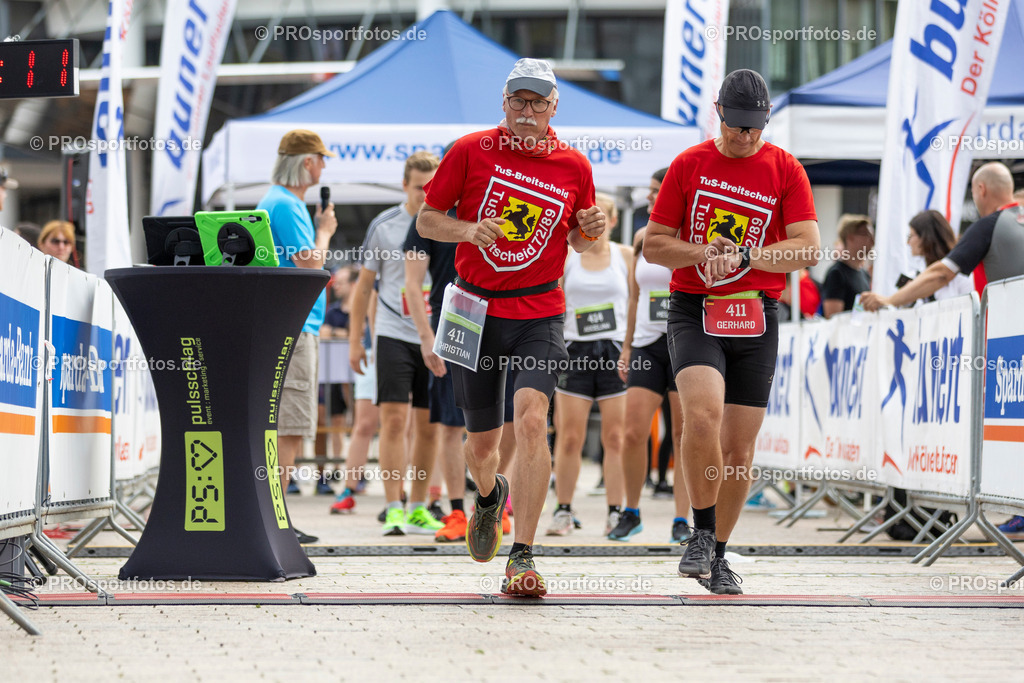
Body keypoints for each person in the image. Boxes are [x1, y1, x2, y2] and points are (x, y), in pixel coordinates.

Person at [417, 58, 606, 596]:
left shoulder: (575, 165)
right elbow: (428, 220)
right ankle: (486, 495)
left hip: (539, 311)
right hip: (475, 312)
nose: (527, 111)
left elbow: (579, 240)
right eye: (519, 101)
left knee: (530, 421)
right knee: (481, 444)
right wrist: (469, 229)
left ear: (553, 107)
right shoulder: (470, 150)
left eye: (538, 102)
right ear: (504, 103)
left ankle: (522, 556)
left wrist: (591, 229)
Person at [644, 68, 820, 594]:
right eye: (737, 126)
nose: (745, 137)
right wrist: (704, 253)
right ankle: (699, 532)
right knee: (701, 416)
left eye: (755, 127)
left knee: (740, 448)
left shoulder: (785, 168)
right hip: (695, 307)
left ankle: (718, 553)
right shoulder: (690, 163)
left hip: (757, 312)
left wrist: (748, 255)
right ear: (719, 113)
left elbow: (808, 247)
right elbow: (654, 244)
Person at [861, 162, 1023, 538]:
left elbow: (940, 274)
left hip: (1008, 343)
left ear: (980, 190)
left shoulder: (990, 225)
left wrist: (889, 300)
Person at [404, 186, 516, 544]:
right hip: (456, 319)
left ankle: (496, 501)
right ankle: (455, 510)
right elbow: (411, 282)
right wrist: (427, 338)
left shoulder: (504, 205)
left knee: (512, 416)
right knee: (452, 423)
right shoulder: (433, 215)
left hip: (509, 318)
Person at [349, 151, 444, 536]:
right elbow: (363, 288)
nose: (425, 194)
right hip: (392, 332)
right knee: (392, 420)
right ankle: (392, 506)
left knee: (428, 424)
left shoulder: (446, 223)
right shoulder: (384, 226)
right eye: (419, 187)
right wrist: (357, 341)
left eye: (432, 187)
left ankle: (419, 506)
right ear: (405, 185)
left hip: (436, 336)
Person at [256, 129, 338, 545]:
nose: (323, 166)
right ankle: (276, 518)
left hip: (283, 323)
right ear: (307, 163)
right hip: (296, 325)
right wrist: (325, 230)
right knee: (289, 424)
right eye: (321, 159)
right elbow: (311, 265)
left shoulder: (275, 201)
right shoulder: (287, 206)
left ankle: (273, 515)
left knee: (280, 424)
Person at [610, 170, 690, 544]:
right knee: (632, 432)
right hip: (646, 344)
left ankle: (681, 518)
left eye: (659, 192)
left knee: (683, 434)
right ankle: (631, 511)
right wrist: (626, 347)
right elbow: (634, 298)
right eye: (651, 192)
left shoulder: (691, 233)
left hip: (685, 343)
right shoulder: (642, 237)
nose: (652, 197)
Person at [547, 192, 631, 537]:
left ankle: (615, 512)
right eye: (586, 220)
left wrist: (629, 348)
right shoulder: (567, 257)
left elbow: (638, 304)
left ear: (612, 221)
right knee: (569, 437)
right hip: (575, 350)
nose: (594, 225)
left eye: (602, 218)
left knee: (615, 436)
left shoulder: (625, 257)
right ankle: (563, 509)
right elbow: (556, 299)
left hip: (614, 351)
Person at [821, 214, 873, 318]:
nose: (871, 240)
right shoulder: (837, 274)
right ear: (850, 238)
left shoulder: (864, 274)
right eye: (866, 234)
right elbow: (833, 318)